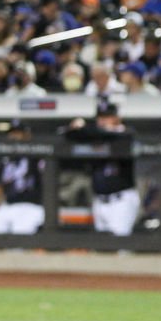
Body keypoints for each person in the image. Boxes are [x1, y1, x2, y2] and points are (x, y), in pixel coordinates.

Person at [63, 100, 139, 236]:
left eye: (107, 117)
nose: (103, 121)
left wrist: (85, 128)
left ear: (117, 118)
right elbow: (69, 135)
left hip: (121, 201)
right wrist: (78, 129)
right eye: (100, 118)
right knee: (101, 247)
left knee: (119, 246)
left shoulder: (125, 133)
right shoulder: (95, 136)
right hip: (99, 201)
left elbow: (115, 134)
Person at [0, 119, 45, 234]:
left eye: (18, 133)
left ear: (27, 135)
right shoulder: (6, 159)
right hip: (9, 205)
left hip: (32, 206)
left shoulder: (38, 155)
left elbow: (48, 183)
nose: (14, 136)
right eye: (12, 133)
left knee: (21, 236)